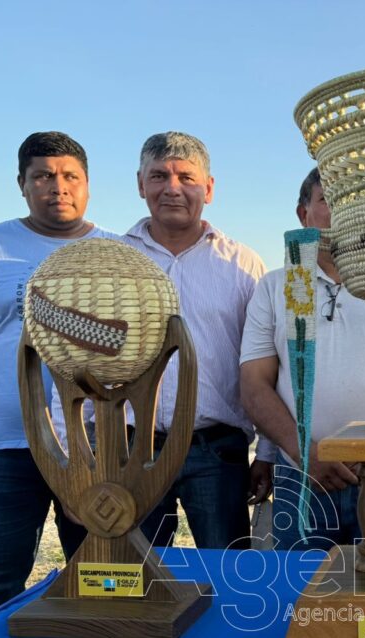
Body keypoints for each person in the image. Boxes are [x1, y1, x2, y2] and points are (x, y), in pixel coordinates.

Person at [0, 132, 113, 626]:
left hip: (95, 448)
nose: (58, 187)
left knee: (103, 581)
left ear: (88, 184)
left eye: (70, 176)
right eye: (43, 176)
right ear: (22, 184)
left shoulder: (116, 252)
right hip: (1, 451)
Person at [239, 168, 365, 549]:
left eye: (353, 201)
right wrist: (306, 455)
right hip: (302, 476)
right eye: (328, 199)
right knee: (307, 586)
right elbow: (254, 384)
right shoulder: (278, 286)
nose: (342, 210)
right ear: (303, 214)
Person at [125, 132, 274, 550]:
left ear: (208, 188)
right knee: (135, 573)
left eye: (186, 177)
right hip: (131, 450)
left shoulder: (242, 264)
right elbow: (87, 359)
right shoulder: (115, 260)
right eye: (159, 176)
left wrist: (267, 452)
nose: (172, 188)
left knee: (226, 571)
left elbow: (267, 363)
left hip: (216, 451)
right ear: (140, 184)